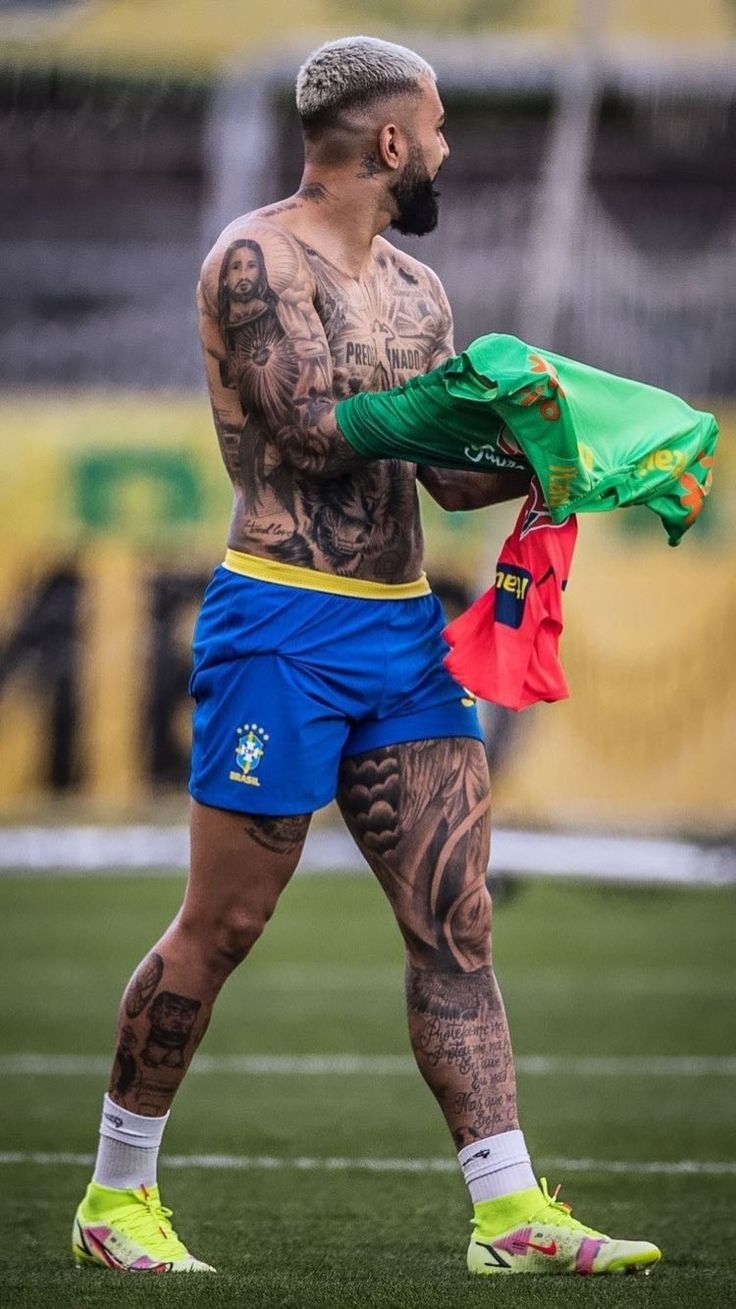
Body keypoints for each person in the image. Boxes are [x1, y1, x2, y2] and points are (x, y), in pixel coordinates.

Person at [72, 36, 661, 1278]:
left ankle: (508, 1216)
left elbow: (440, 478)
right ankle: (115, 1197)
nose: (446, 148)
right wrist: (477, 398)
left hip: (398, 628)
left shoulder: (417, 290)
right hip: (280, 625)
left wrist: (567, 456)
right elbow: (307, 424)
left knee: (457, 918)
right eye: (437, 127)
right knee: (224, 920)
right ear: (390, 141)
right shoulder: (254, 256)